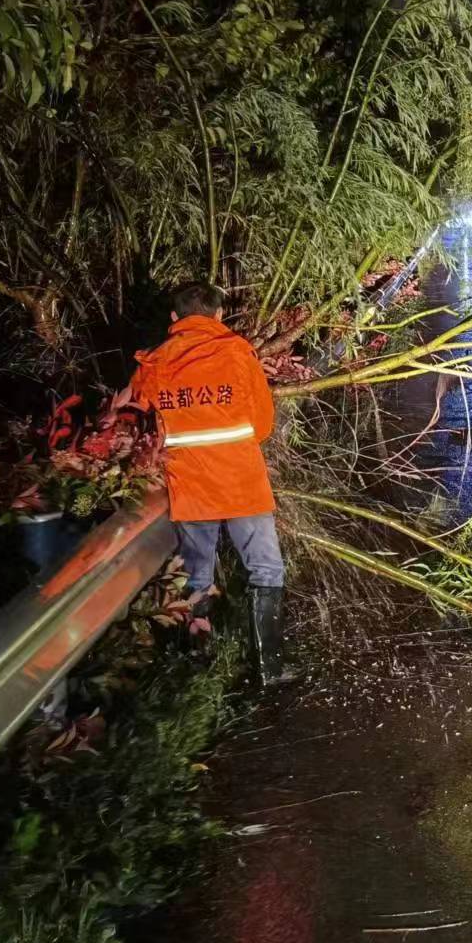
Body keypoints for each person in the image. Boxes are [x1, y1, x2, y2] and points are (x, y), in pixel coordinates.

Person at [121, 281, 290, 683]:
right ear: (218, 316)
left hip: (190, 486)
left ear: (174, 319)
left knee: (197, 576)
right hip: (242, 483)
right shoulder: (236, 352)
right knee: (265, 569)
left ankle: (196, 667)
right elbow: (262, 423)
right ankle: (269, 668)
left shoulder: (155, 363)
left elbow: (133, 421)